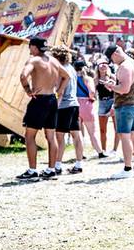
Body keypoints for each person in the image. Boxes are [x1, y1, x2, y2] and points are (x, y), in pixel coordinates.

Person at [17, 37, 66, 180]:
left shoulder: (34, 60)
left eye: (30, 46)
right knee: (51, 136)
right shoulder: (54, 61)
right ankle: (51, 170)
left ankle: (32, 171)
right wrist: (59, 91)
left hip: (39, 100)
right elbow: (66, 76)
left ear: (34, 47)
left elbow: (23, 76)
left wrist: (28, 90)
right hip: (52, 99)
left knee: (29, 136)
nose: (29, 49)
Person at [102, 45, 134, 179]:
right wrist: (114, 81)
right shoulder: (133, 63)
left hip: (125, 105)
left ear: (115, 54)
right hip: (133, 103)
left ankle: (127, 169)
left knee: (125, 137)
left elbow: (124, 89)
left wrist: (111, 86)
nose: (112, 62)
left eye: (111, 59)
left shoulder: (125, 66)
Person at [51, 46, 85, 175]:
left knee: (60, 137)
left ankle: (58, 165)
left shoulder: (61, 70)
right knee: (77, 135)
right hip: (74, 104)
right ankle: (79, 164)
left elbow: (61, 91)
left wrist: (55, 107)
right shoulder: (71, 68)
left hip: (64, 105)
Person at [74, 59, 107, 159]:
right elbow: (92, 92)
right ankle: (100, 152)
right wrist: (92, 97)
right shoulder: (88, 79)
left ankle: (80, 154)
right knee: (92, 133)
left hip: (75, 104)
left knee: (78, 133)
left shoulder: (72, 78)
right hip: (86, 105)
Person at [96, 59, 119, 156]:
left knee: (116, 128)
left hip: (112, 101)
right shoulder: (95, 79)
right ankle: (104, 149)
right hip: (102, 103)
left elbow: (117, 92)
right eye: (101, 64)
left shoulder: (113, 77)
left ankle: (114, 150)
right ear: (97, 66)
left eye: (105, 64)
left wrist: (114, 105)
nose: (103, 65)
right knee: (102, 129)